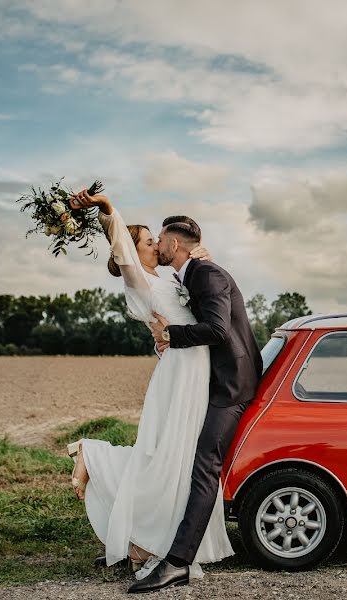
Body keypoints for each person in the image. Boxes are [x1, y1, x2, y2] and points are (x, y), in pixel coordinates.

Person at [64, 190, 235, 585]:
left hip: (194, 368)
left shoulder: (168, 277)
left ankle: (154, 541)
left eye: (157, 240)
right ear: (134, 251)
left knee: (178, 459)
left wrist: (203, 257)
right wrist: (106, 208)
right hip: (179, 373)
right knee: (165, 457)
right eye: (148, 241)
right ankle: (95, 458)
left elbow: (199, 291)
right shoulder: (138, 278)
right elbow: (120, 244)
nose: (155, 244)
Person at [128, 209, 263, 593]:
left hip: (229, 387)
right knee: (186, 459)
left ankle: (178, 562)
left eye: (160, 240)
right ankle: (151, 540)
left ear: (173, 244)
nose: (157, 245)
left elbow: (218, 330)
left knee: (204, 467)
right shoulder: (191, 273)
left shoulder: (206, 273)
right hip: (214, 381)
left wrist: (171, 334)